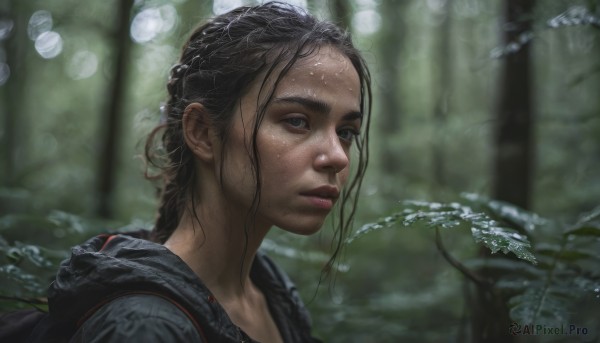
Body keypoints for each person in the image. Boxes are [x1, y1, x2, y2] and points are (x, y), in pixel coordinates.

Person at [37, 2, 372, 342]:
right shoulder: (143, 327)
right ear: (201, 132)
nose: (337, 157)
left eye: (345, 132)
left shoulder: (272, 295)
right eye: (297, 121)